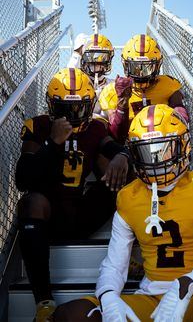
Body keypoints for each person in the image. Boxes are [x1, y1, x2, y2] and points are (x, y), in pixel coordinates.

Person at [53, 104, 193, 322]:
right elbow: (114, 265)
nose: (155, 162)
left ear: (183, 145)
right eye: (146, 151)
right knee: (70, 314)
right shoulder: (129, 197)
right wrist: (108, 295)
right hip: (152, 301)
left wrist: (191, 281)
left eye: (163, 149)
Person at [15, 67, 131, 322]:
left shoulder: (95, 128)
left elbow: (114, 148)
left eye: (78, 108)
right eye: (64, 109)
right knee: (32, 201)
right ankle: (44, 301)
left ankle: (133, 255)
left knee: (125, 182)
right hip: (48, 219)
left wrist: (122, 157)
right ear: (51, 106)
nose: (71, 116)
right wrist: (52, 143)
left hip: (81, 215)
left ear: (89, 106)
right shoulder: (40, 127)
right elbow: (22, 179)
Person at [99, 34, 189, 144]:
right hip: (130, 144)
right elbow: (117, 135)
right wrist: (123, 101)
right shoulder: (111, 91)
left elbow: (180, 115)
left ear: (157, 66)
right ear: (126, 65)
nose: (141, 74)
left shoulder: (168, 84)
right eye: (136, 68)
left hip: (164, 142)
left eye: (147, 67)